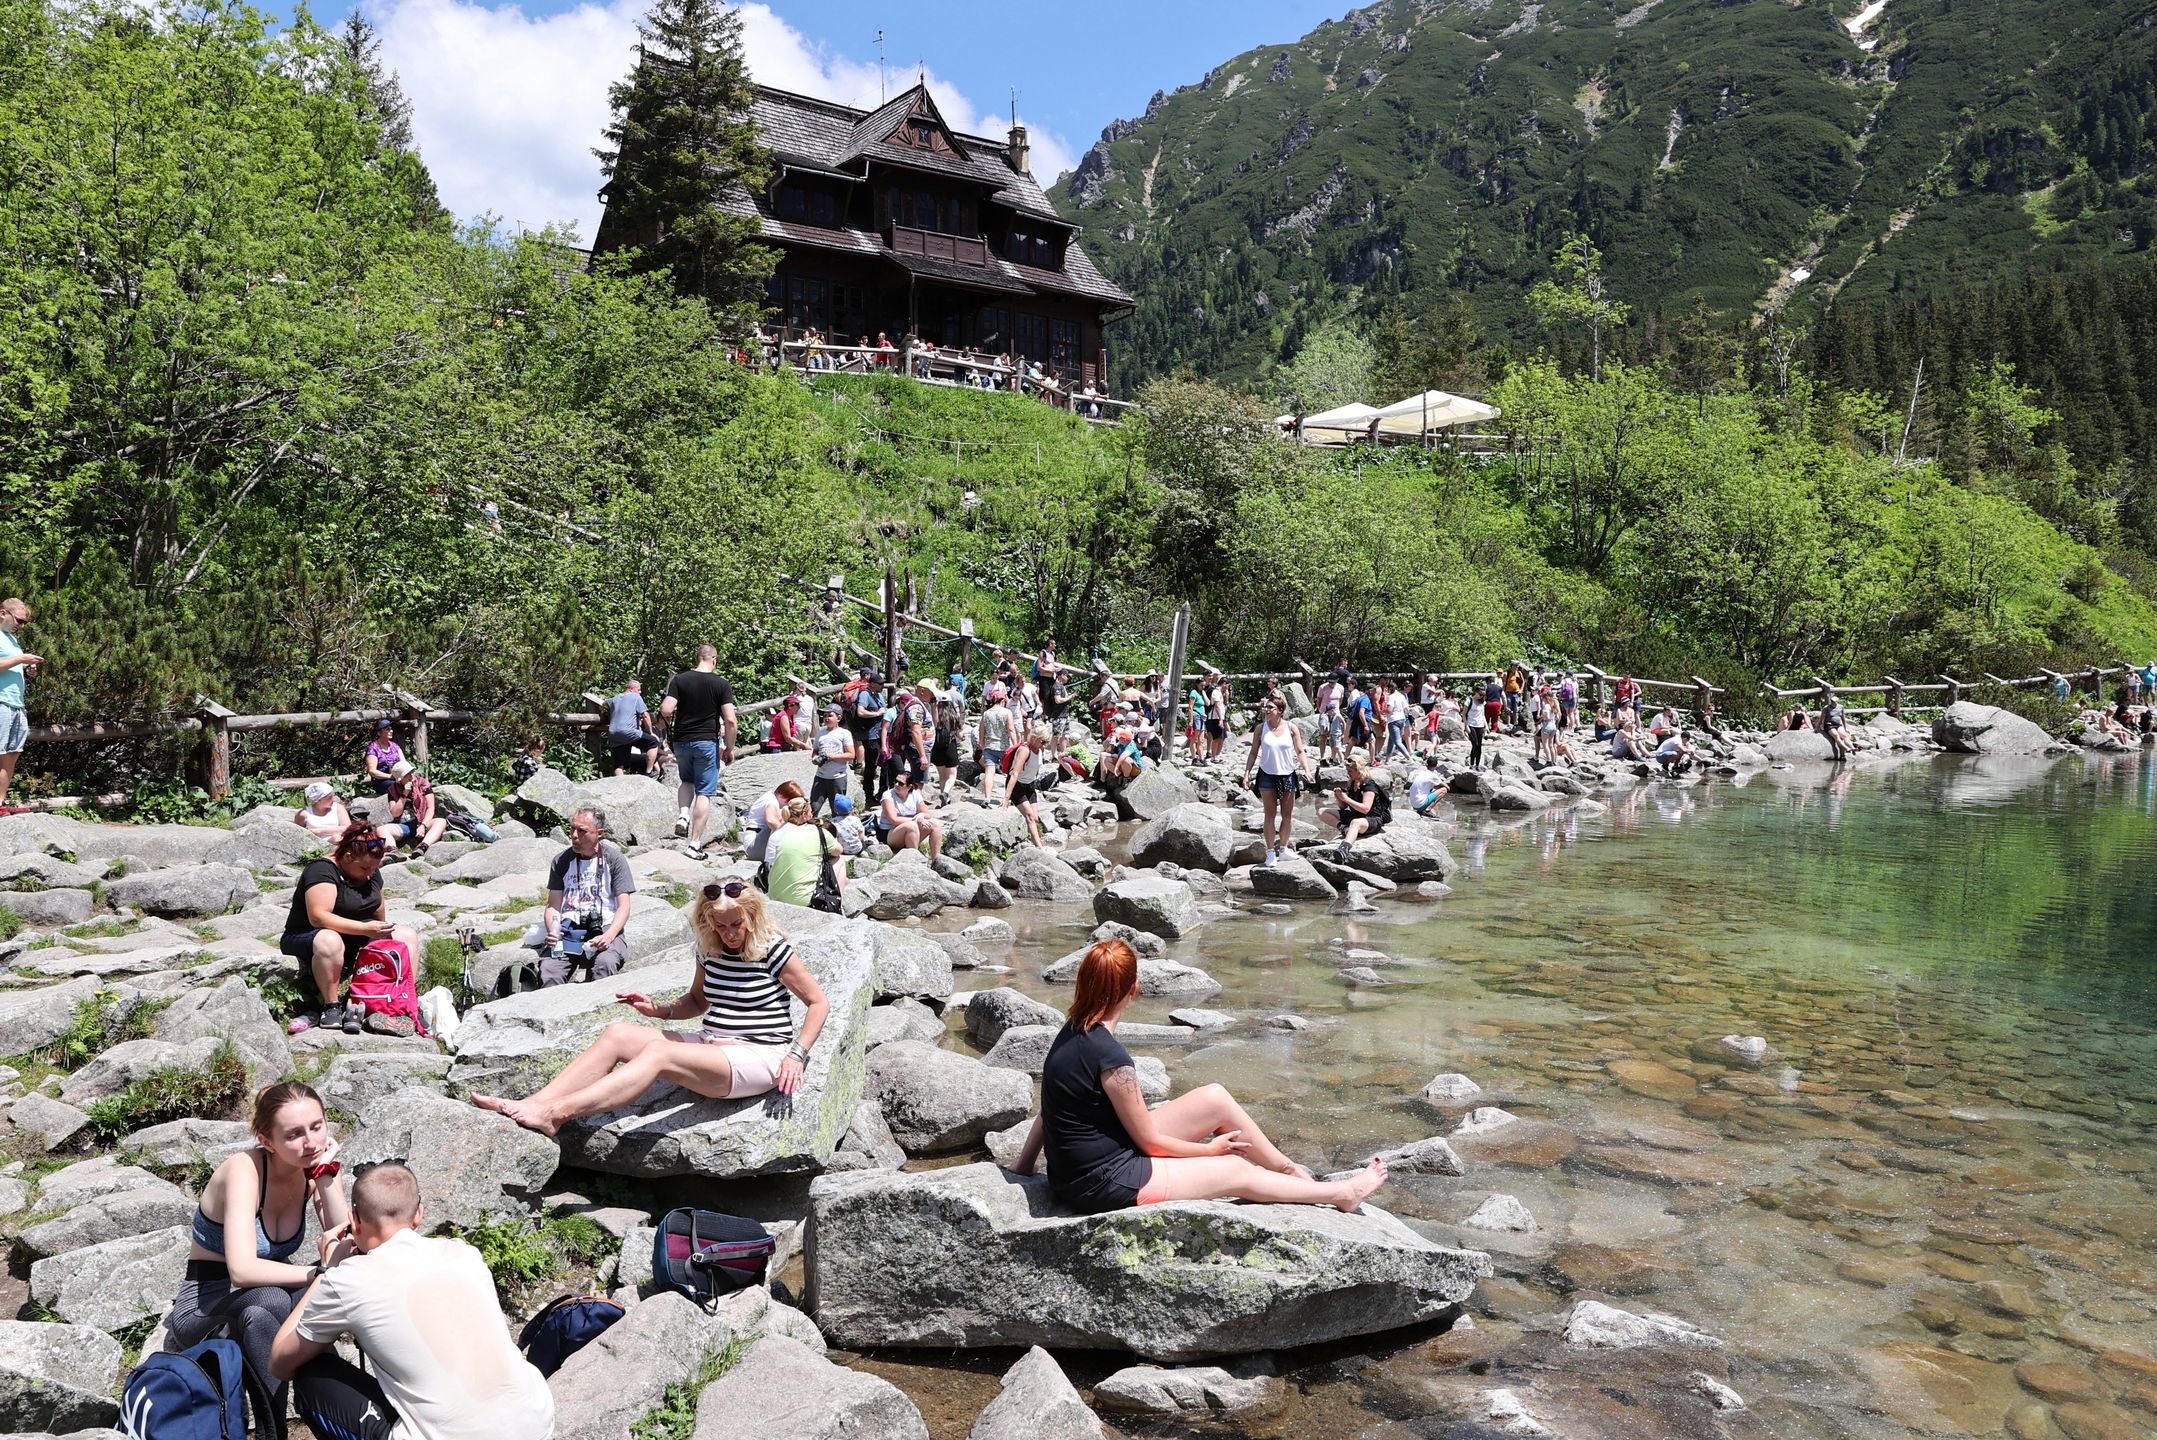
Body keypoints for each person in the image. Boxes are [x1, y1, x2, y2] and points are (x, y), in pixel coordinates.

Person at [1007, 940, 1387, 1212]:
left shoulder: (1071, 1028)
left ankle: (1289, 1170)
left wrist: (1023, 1169)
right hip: (1104, 1183)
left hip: (1088, 1165)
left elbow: (1048, 1109)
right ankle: (1342, 1193)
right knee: (1235, 1168)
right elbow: (1152, 1144)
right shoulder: (1112, 1057)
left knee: (1215, 1098)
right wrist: (1211, 1150)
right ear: (1134, 989)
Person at [473, 884, 829, 1137]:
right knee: (618, 1033)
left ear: (750, 916)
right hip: (712, 1044)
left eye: (736, 924)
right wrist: (658, 1010)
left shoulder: (773, 949)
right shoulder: (709, 949)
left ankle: (556, 1114)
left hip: (760, 1054)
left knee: (658, 1052)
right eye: (720, 926)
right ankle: (531, 1104)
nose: (729, 933)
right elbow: (698, 1000)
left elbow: (818, 1002)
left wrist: (796, 1055)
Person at [269, 1162, 554, 1440]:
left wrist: (326, 1272)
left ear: (354, 1220)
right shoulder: (464, 1254)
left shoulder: (349, 1280)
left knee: (311, 1376)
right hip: (537, 1423)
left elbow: (280, 1363)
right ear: (418, 1214)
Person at [167, 1081, 350, 1440]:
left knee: (323, 1293)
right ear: (268, 1142)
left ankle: (332, 1415)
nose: (311, 1142)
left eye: (317, 1126)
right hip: (206, 1301)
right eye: (294, 1134)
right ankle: (273, 1431)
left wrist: (327, 1179)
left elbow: (344, 1243)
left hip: (272, 1292)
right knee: (280, 1297)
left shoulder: (316, 1164)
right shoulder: (244, 1170)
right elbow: (242, 1269)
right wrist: (318, 1272)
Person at [281, 825, 417, 1033]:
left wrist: (382, 935)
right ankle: (331, 1006)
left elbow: (377, 907)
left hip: (357, 935)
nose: (369, 874)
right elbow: (319, 917)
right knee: (330, 939)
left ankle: (401, 999)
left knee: (406, 936)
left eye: (374, 868)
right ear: (346, 857)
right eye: (364, 869)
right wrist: (364, 929)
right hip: (309, 936)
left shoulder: (370, 872)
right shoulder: (322, 870)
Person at [531, 807, 635, 987]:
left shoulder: (614, 859)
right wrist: (553, 930)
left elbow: (623, 906)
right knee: (549, 970)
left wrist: (609, 936)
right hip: (569, 929)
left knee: (605, 964)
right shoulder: (561, 861)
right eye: (572, 829)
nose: (574, 835)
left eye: (582, 831)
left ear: (599, 833)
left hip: (604, 927)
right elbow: (553, 905)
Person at [660, 645, 738, 860]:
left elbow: (666, 710)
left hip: (682, 740)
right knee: (704, 792)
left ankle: (683, 815)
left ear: (697, 658)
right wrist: (729, 748)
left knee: (686, 781)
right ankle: (694, 845)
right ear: (714, 660)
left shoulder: (680, 680)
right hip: (706, 742)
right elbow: (730, 720)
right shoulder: (721, 684)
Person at [1241, 696, 1309, 866]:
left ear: (1280, 711)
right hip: (1266, 775)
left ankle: (1284, 849)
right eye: (1265, 707)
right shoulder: (1260, 728)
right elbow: (1253, 752)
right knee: (1269, 815)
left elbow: (1300, 751)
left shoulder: (1291, 728)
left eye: (1270, 707)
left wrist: (1307, 770)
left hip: (1287, 774)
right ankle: (1270, 852)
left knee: (1287, 815)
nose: (1266, 710)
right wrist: (1246, 773)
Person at [766, 797, 845, 908]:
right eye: (811, 812)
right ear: (805, 815)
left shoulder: (787, 831)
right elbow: (839, 851)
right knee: (839, 859)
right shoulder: (819, 832)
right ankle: (836, 903)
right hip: (800, 900)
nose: (813, 815)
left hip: (773, 893)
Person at [0, 596, 38, 809]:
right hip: (1, 702)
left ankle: (0, 802)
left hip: (16, 704)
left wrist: (26, 669)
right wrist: (21, 659)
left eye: (24, 622)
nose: (20, 625)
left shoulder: (12, 640)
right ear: (3, 613)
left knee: (12, 753)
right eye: (19, 620)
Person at [1320, 751, 1390, 860]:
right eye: (1347, 771)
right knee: (1322, 811)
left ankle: (1344, 848)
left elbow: (1365, 809)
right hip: (1356, 816)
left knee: (1355, 822)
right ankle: (1344, 829)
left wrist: (1346, 798)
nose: (1348, 774)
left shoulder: (1368, 785)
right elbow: (1343, 807)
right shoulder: (1352, 782)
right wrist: (1339, 797)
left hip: (1372, 819)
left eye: (1350, 771)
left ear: (1359, 770)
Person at [377, 761, 447, 856]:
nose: (411, 776)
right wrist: (404, 794)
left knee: (441, 821)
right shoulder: (392, 789)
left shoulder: (423, 784)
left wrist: (423, 825)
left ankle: (422, 847)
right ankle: (393, 852)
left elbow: (431, 808)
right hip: (405, 826)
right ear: (400, 779)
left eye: (411, 772)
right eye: (407, 775)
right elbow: (395, 813)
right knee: (381, 829)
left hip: (423, 822)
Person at [842, 664, 888, 805]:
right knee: (871, 765)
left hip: (879, 734)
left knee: (885, 763)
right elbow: (860, 712)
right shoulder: (865, 695)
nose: (882, 686)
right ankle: (868, 796)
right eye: (880, 684)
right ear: (872, 684)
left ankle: (882, 792)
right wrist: (877, 713)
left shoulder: (878, 695)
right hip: (869, 736)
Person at [876, 771, 945, 862]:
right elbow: (893, 820)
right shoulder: (888, 795)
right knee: (911, 826)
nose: (896, 784)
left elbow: (927, 814)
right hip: (889, 833)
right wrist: (916, 819)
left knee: (935, 823)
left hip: (911, 830)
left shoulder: (915, 795)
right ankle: (915, 861)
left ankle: (935, 860)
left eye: (901, 783)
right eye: (895, 781)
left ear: (909, 786)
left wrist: (921, 815)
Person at [739, 780, 803, 874]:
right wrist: (789, 833)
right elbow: (770, 820)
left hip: (754, 845)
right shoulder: (771, 802)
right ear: (784, 798)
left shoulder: (770, 797)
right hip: (754, 846)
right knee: (782, 816)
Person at [1002, 722, 1049, 848]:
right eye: (1043, 741)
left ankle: (1031, 839)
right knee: (1030, 817)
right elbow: (1015, 774)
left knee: (1035, 818)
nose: (1045, 745)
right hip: (1017, 786)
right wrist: (1006, 798)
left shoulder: (1039, 750)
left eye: (1047, 742)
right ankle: (1039, 848)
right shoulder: (1024, 750)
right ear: (1034, 738)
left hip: (1029, 786)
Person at [604, 679, 659, 776]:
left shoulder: (615, 698)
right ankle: (649, 773)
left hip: (613, 733)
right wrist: (650, 732)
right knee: (653, 742)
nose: (640, 692)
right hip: (629, 732)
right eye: (638, 689)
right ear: (631, 689)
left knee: (619, 764)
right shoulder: (636, 697)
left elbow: (604, 704)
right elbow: (645, 715)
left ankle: (619, 784)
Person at [977, 683, 1016, 806]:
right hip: (1004, 747)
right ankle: (1007, 798)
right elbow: (1010, 729)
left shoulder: (986, 713)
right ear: (1003, 700)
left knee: (989, 772)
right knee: (1010, 772)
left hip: (989, 746)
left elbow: (981, 730)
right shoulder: (1007, 712)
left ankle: (987, 798)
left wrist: (981, 743)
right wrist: (1016, 744)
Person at [932, 672, 968, 800]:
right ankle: (946, 793)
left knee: (942, 776)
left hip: (936, 746)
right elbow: (959, 733)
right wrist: (962, 737)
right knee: (952, 775)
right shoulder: (953, 717)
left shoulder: (935, 716)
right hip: (950, 746)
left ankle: (944, 798)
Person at [361, 720, 403, 795]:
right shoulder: (373, 748)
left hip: (397, 778)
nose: (391, 731)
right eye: (388, 729)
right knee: (399, 786)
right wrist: (389, 776)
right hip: (381, 781)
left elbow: (404, 763)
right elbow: (372, 771)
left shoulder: (395, 746)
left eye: (391, 729)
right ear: (379, 733)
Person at [1383, 680, 1412, 761]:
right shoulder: (1401, 696)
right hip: (1402, 719)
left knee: (1397, 742)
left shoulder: (1391, 697)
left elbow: (1389, 710)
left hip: (1393, 720)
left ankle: (1409, 759)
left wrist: (1381, 712)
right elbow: (1407, 709)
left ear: (1390, 689)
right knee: (1391, 740)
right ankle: (1387, 759)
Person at [1821, 694, 1854, 762]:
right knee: (1836, 735)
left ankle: (1853, 748)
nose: (1832, 702)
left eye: (1834, 701)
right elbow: (1821, 718)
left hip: (1838, 724)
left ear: (1837, 702)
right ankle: (1846, 748)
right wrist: (1818, 727)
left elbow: (1843, 717)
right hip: (1829, 724)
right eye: (1831, 701)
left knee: (1844, 735)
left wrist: (1845, 727)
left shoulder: (1841, 707)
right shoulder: (1826, 708)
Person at [1464, 682, 1489, 770]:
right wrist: (1466, 726)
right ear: (1476, 692)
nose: (1481, 696)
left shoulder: (1482, 702)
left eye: (1483, 695)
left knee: (1479, 746)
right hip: (1471, 724)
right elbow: (1463, 714)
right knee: (1475, 744)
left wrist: (1486, 726)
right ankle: (1471, 764)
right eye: (1480, 694)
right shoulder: (1469, 701)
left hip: (1480, 725)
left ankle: (1477, 765)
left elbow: (1483, 715)